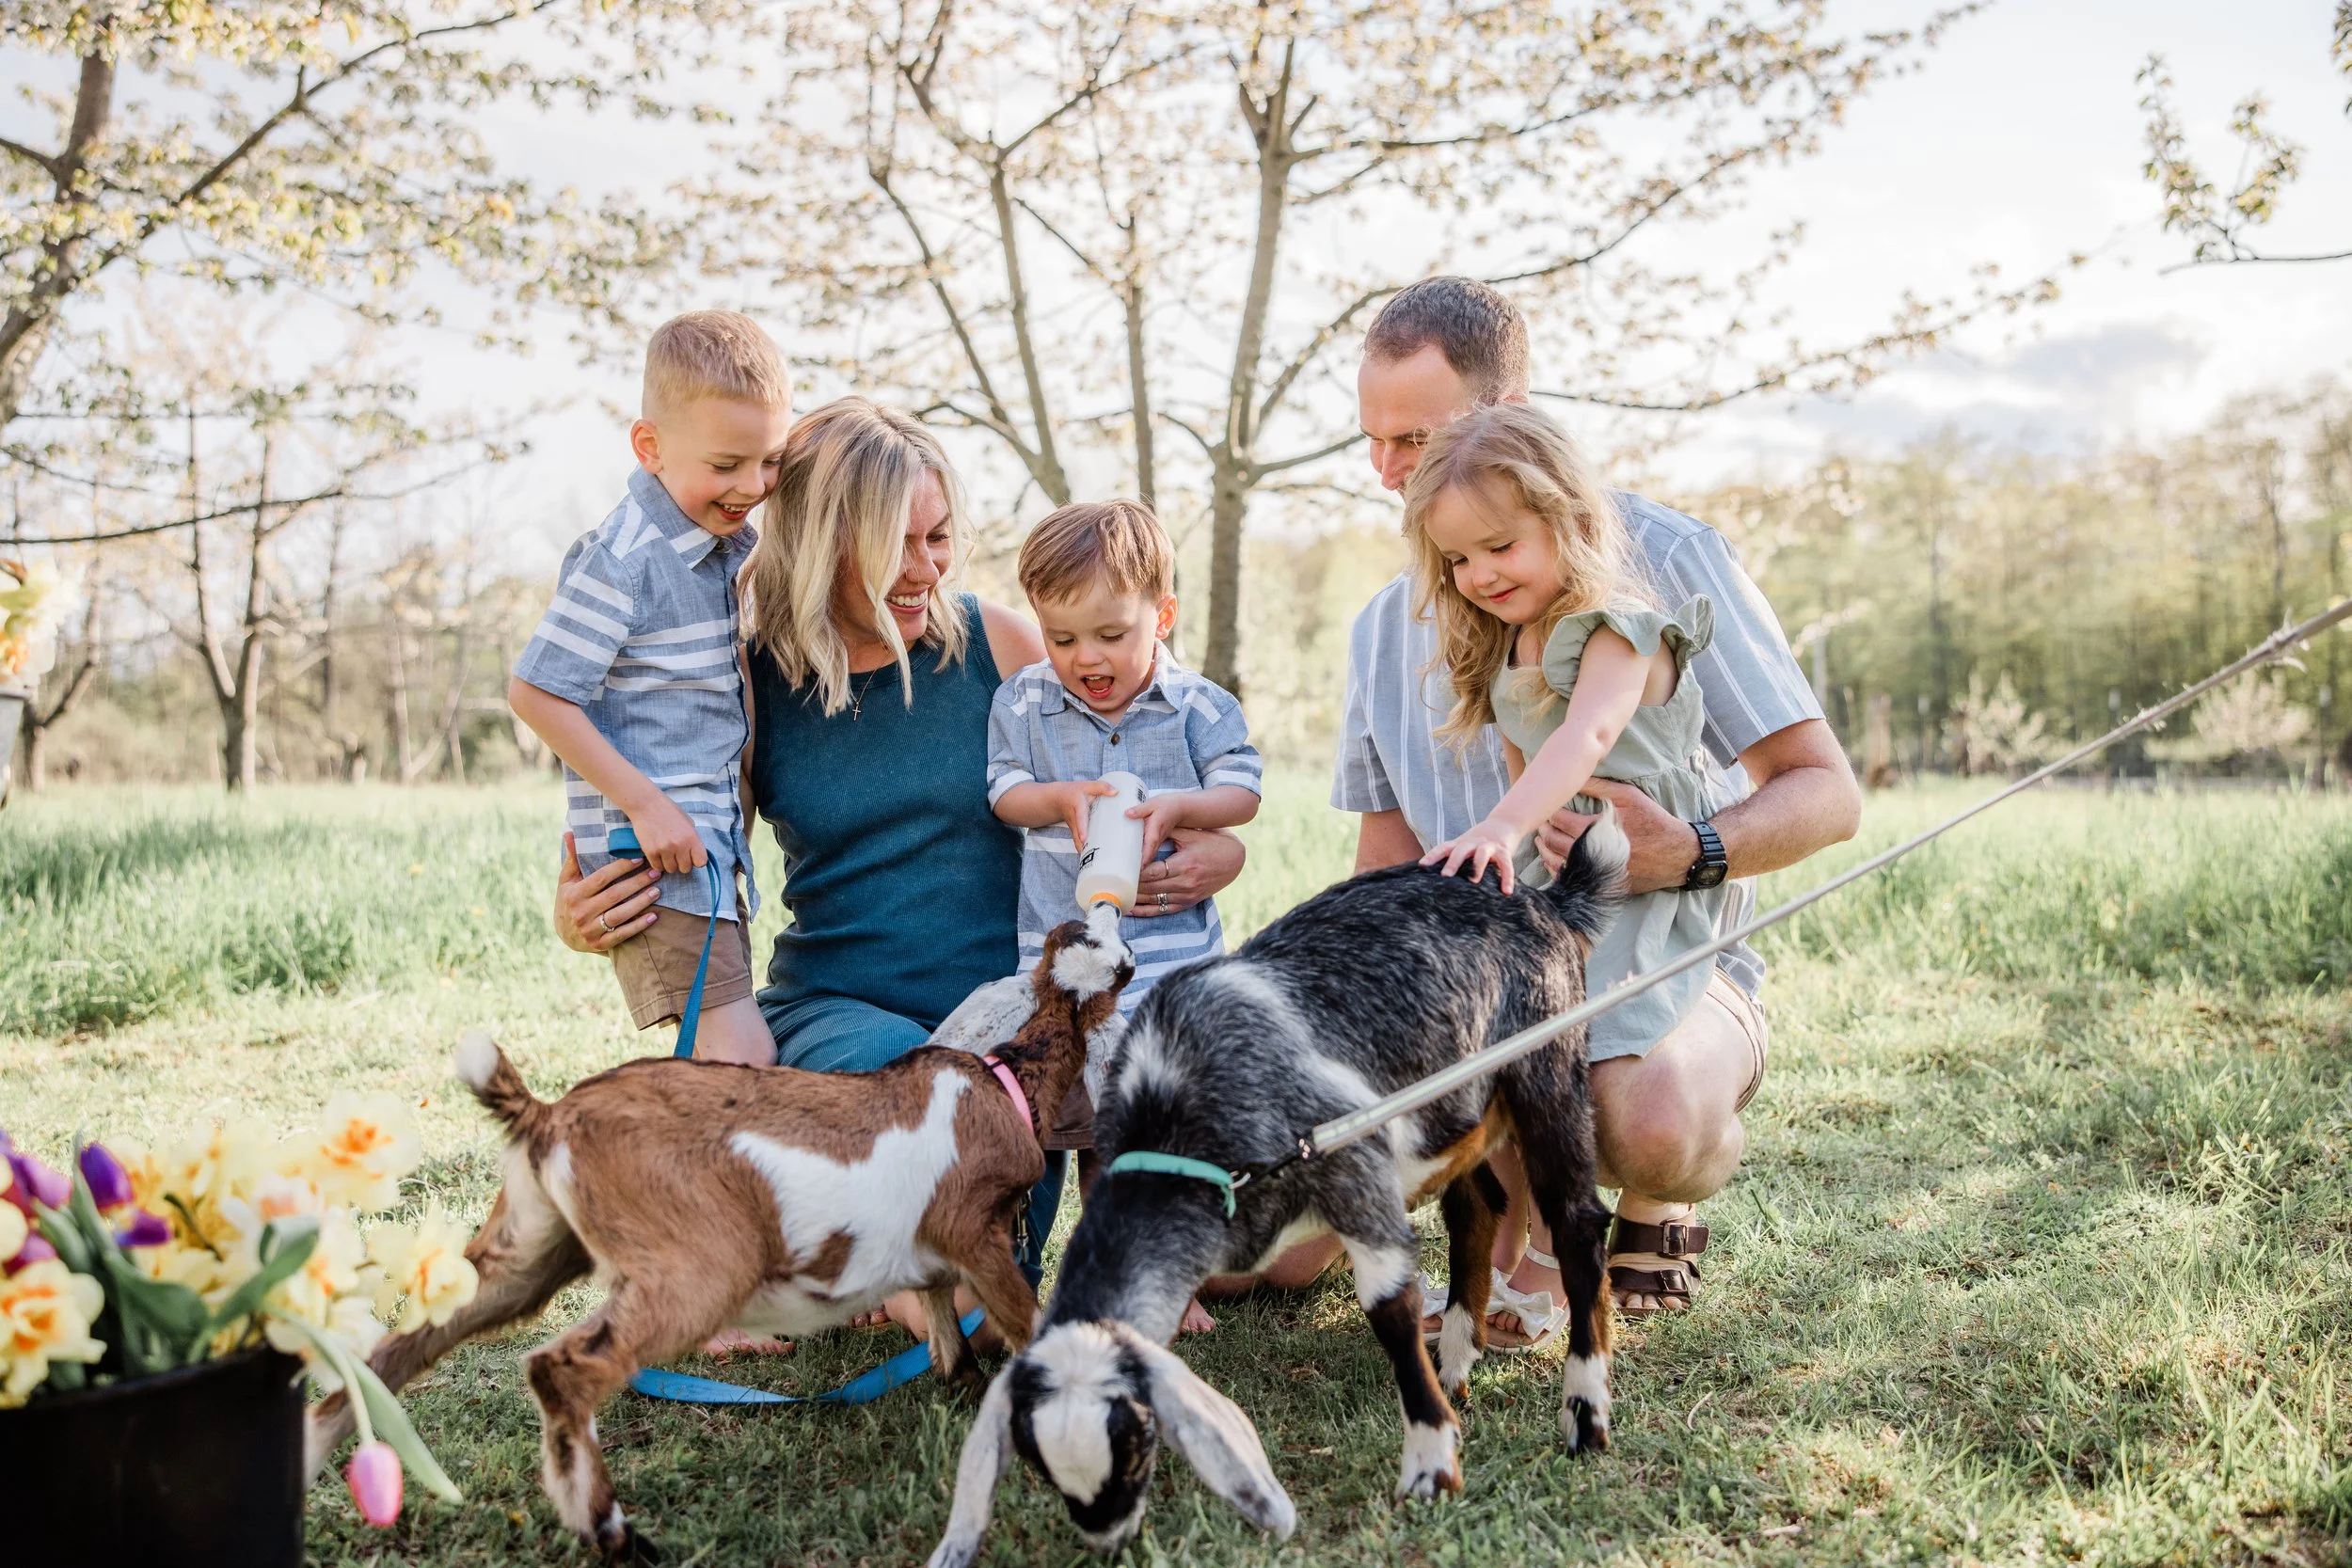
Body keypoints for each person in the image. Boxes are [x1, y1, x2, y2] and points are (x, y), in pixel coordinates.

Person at [546, 398, 1249, 1330]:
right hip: (841, 1023)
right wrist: (577, 912)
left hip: (1004, 1028)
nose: (926, 569)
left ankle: (906, 1280)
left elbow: (1144, 776)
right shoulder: (749, 682)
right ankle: (911, 1286)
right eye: (896, 545)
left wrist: (1210, 853)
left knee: (989, 1169)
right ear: (820, 544)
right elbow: (679, 852)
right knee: (911, 1118)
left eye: (939, 537)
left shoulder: (1004, 646)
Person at [1326, 276, 1860, 1323]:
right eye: (1374, 441)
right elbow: (1383, 858)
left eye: (1416, 437)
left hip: (1655, 949)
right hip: (1498, 966)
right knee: (1321, 1165)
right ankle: (1502, 1247)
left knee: (1636, 1114)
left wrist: (1689, 848)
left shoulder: (1657, 562)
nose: (1391, 471)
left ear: (1507, 422)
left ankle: (1652, 1189)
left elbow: (1827, 794)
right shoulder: (1386, 624)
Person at [1406, 403, 1738, 1343]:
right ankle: (1520, 1247)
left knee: (1593, 1061)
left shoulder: (1618, 631)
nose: (1479, 575)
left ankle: (1569, 1249)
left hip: (1652, 890)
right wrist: (1498, 868)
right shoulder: (1511, 641)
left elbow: (1587, 739)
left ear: (1571, 517)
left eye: (1500, 545)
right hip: (1572, 885)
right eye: (1459, 561)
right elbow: (1530, 778)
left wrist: (1499, 822)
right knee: (1500, 1042)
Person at [988, 499, 1262, 1336]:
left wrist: (1183, 807)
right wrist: (1062, 797)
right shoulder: (1026, 703)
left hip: (1168, 982)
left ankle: (1163, 1282)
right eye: (1063, 638)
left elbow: (1243, 791)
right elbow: (1002, 793)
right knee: (1073, 1131)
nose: (1086, 658)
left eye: (1110, 633)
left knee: (1150, 1142)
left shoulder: (1197, 705)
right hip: (1066, 978)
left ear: (1162, 615)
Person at [508, 310, 790, 1069]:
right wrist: (643, 802)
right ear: (650, 446)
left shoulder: (724, 547)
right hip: (654, 855)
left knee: (726, 1055)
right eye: (727, 464)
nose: (752, 487)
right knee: (738, 1058)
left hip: (700, 852)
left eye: (768, 463)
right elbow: (536, 691)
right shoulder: (625, 559)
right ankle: (665, 1179)